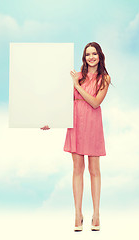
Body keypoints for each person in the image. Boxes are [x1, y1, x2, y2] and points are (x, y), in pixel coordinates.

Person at [40, 42, 111, 232]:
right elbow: (64, 102)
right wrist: (51, 121)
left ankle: (96, 214)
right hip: (76, 123)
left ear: (99, 55)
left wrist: (76, 86)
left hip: (93, 124)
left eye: (94, 53)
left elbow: (95, 102)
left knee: (94, 170)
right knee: (77, 169)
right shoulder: (77, 77)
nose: (91, 57)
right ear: (84, 57)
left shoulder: (104, 78)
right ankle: (78, 214)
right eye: (87, 54)